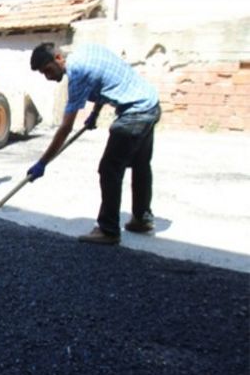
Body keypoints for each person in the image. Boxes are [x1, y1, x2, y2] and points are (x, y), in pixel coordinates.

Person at [27, 42, 161, 244]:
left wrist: (42, 163)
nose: (48, 77)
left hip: (135, 112)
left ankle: (108, 230)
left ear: (58, 59)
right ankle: (142, 219)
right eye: (42, 74)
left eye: (48, 70)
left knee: (109, 168)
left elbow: (65, 128)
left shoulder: (77, 72)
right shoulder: (85, 52)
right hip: (150, 104)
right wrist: (95, 113)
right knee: (140, 164)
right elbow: (103, 82)